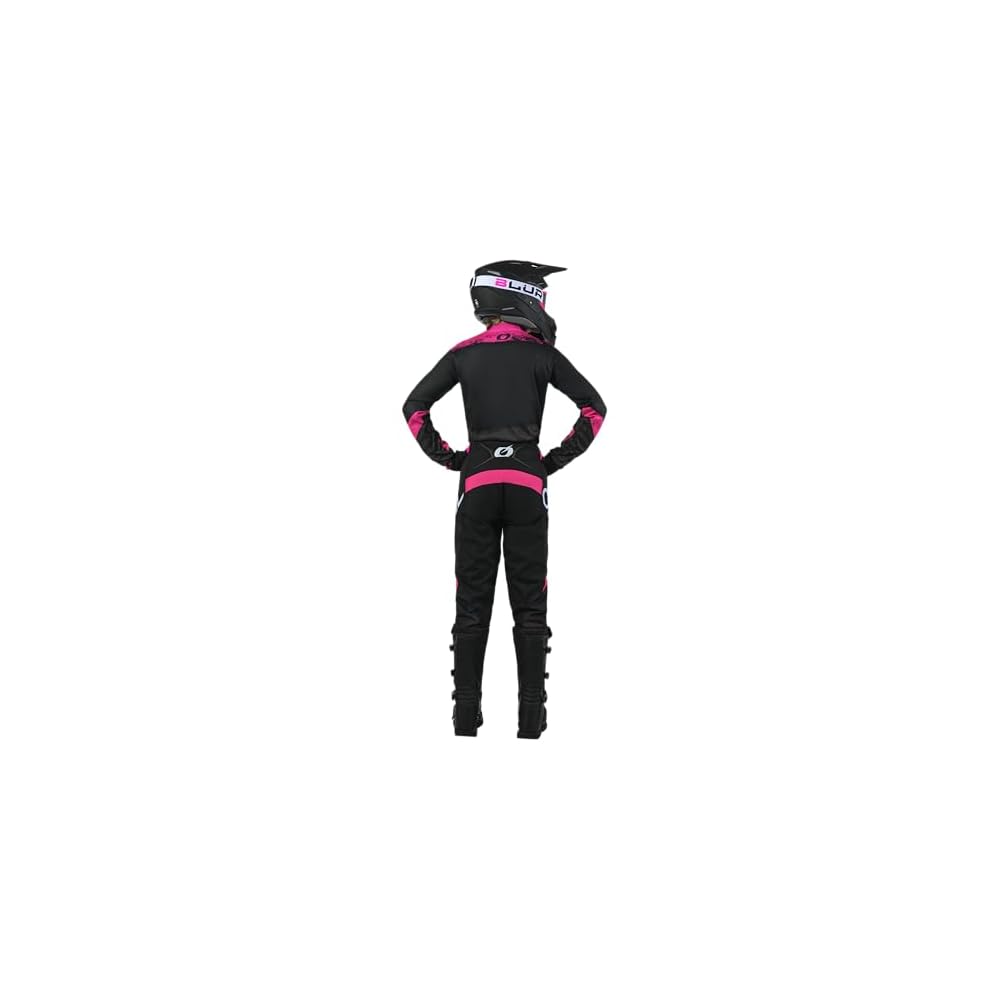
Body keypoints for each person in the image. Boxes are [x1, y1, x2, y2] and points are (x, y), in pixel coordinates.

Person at [402, 261, 607, 738]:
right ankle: (531, 721)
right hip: (527, 484)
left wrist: (453, 459)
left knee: (471, 604)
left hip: (475, 483)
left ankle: (464, 720)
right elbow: (594, 409)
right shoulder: (543, 355)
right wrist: (549, 462)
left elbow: (414, 407)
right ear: (521, 297)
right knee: (530, 604)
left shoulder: (462, 354)